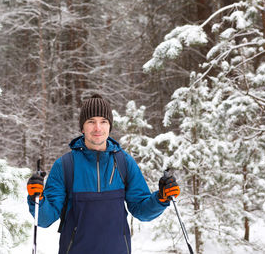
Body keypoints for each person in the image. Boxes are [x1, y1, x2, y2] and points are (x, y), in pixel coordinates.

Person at [27, 94, 180, 254]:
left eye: (103, 121)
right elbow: (45, 219)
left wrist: (161, 198)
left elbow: (141, 210)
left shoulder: (124, 162)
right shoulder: (65, 166)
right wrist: (37, 198)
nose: (97, 128)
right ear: (82, 127)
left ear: (110, 126)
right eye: (91, 121)